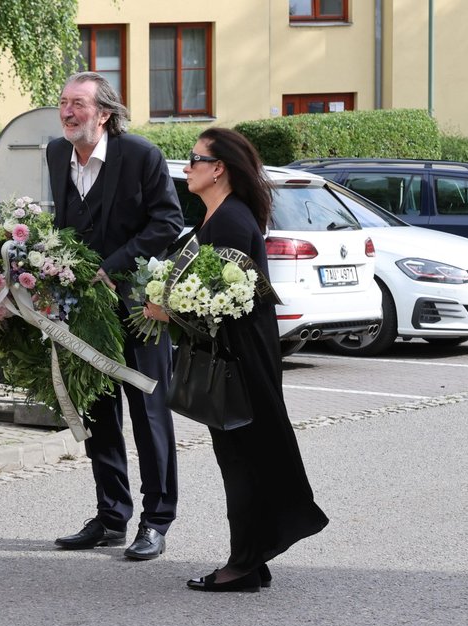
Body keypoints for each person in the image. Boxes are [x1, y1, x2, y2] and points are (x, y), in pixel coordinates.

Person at [144, 127, 329, 592]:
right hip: (237, 360)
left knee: (243, 461)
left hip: (239, 364)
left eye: (193, 159)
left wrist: (168, 309)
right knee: (244, 459)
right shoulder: (222, 217)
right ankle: (252, 557)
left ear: (218, 168)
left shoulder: (230, 221)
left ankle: (243, 564)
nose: (186, 167)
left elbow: (224, 304)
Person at [46, 72, 184, 560]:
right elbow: (64, 222)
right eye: (63, 103)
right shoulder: (56, 153)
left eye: (78, 104)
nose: (67, 112)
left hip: (137, 309)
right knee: (97, 411)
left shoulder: (141, 156)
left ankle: (157, 521)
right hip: (81, 311)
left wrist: (114, 266)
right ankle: (111, 517)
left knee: (148, 414)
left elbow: (168, 221)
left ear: (104, 113)